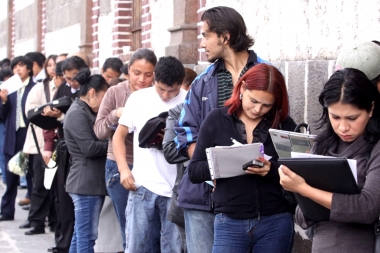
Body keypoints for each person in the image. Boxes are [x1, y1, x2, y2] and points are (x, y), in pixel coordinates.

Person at [174, 6, 267, 252]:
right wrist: (213, 170)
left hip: (253, 200)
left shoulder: (266, 76)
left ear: (224, 37)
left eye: (205, 35)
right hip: (202, 198)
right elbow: (184, 133)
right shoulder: (201, 82)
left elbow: (278, 128)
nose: (202, 43)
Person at [187, 63, 295, 252]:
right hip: (229, 219)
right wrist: (224, 162)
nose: (258, 109)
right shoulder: (217, 120)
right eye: (253, 101)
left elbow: (298, 171)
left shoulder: (283, 124)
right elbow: (194, 170)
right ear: (242, 88)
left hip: (275, 219)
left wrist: (271, 169)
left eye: (266, 105)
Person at [279, 68, 380, 253]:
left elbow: (367, 208)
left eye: (352, 118)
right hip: (322, 245)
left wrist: (304, 189)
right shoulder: (322, 146)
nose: (343, 127)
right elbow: (302, 217)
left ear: (371, 109)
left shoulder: (376, 148)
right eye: (335, 117)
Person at [113, 56, 187, 253]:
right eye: (161, 88)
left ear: (181, 83)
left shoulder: (189, 100)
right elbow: (118, 137)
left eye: (172, 91)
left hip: (177, 190)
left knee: (173, 249)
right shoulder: (138, 99)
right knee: (137, 247)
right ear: (154, 78)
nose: (165, 95)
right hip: (143, 186)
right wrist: (123, 170)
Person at [94, 48, 157, 250]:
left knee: (153, 229)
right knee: (129, 228)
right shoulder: (115, 92)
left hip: (152, 165)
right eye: (137, 73)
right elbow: (99, 131)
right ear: (128, 70)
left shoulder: (159, 93)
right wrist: (116, 115)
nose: (142, 79)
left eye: (148, 74)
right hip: (120, 165)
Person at [63, 68, 109, 252]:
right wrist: (112, 144)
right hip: (85, 184)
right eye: (103, 97)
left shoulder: (83, 110)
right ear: (92, 93)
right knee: (87, 237)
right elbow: (89, 148)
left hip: (88, 183)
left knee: (80, 235)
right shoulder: (77, 113)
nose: (105, 103)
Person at [19, 55, 65, 236]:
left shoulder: (67, 89)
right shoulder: (40, 89)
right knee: (40, 184)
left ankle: (54, 222)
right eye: (51, 66)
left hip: (60, 143)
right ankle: (36, 221)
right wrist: (46, 115)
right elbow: (30, 112)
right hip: (41, 144)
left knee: (57, 186)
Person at [0, 56, 36, 221]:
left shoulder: (34, 87)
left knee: (32, 177)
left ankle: (34, 216)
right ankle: (7, 211)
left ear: (29, 69)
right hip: (11, 136)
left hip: (28, 134)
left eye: (21, 66)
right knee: (10, 175)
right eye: (15, 67)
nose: (17, 69)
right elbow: (3, 115)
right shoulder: (9, 88)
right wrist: (4, 101)